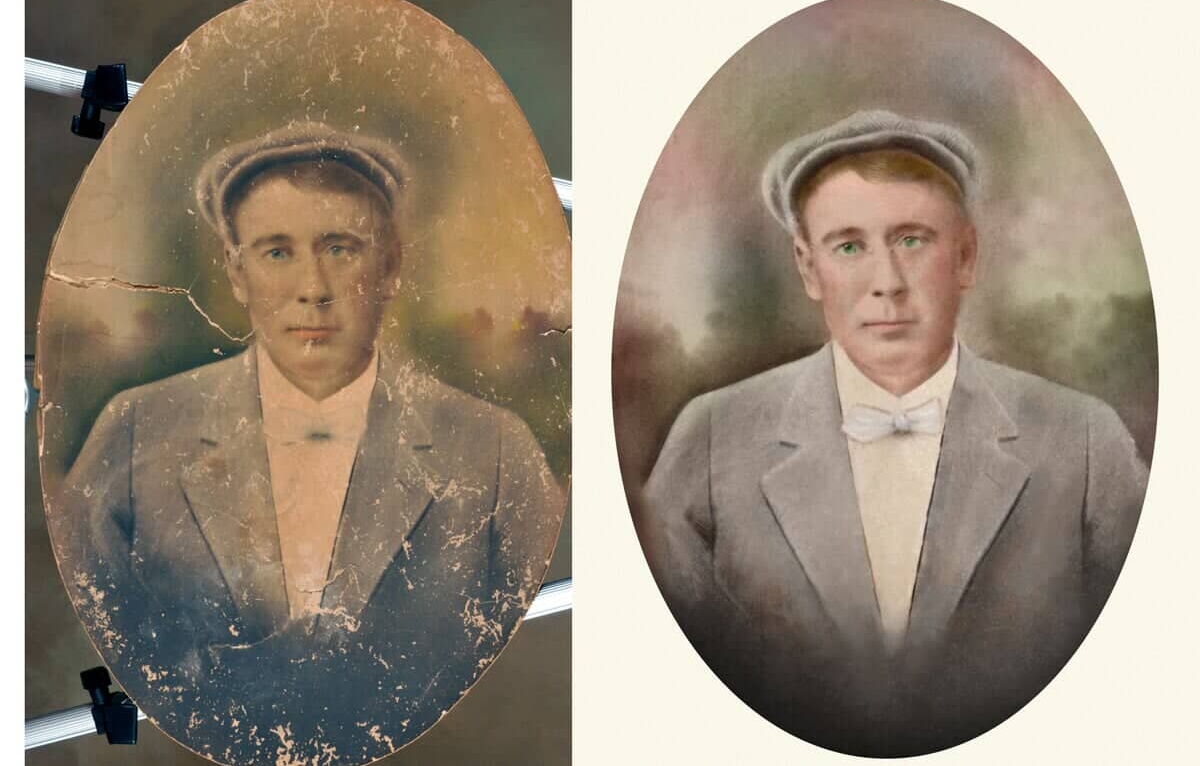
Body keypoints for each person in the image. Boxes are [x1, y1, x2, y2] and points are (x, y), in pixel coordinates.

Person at [642, 110, 1147, 756]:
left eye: (913, 240)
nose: (886, 283)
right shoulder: (712, 438)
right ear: (806, 266)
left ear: (965, 255)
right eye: (848, 246)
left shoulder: (1083, 442)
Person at [59, 123, 564, 764]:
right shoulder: (136, 433)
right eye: (277, 252)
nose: (314, 288)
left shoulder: (494, 452)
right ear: (235, 273)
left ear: (391, 266)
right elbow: (80, 644)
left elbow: (538, 667)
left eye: (342, 249)